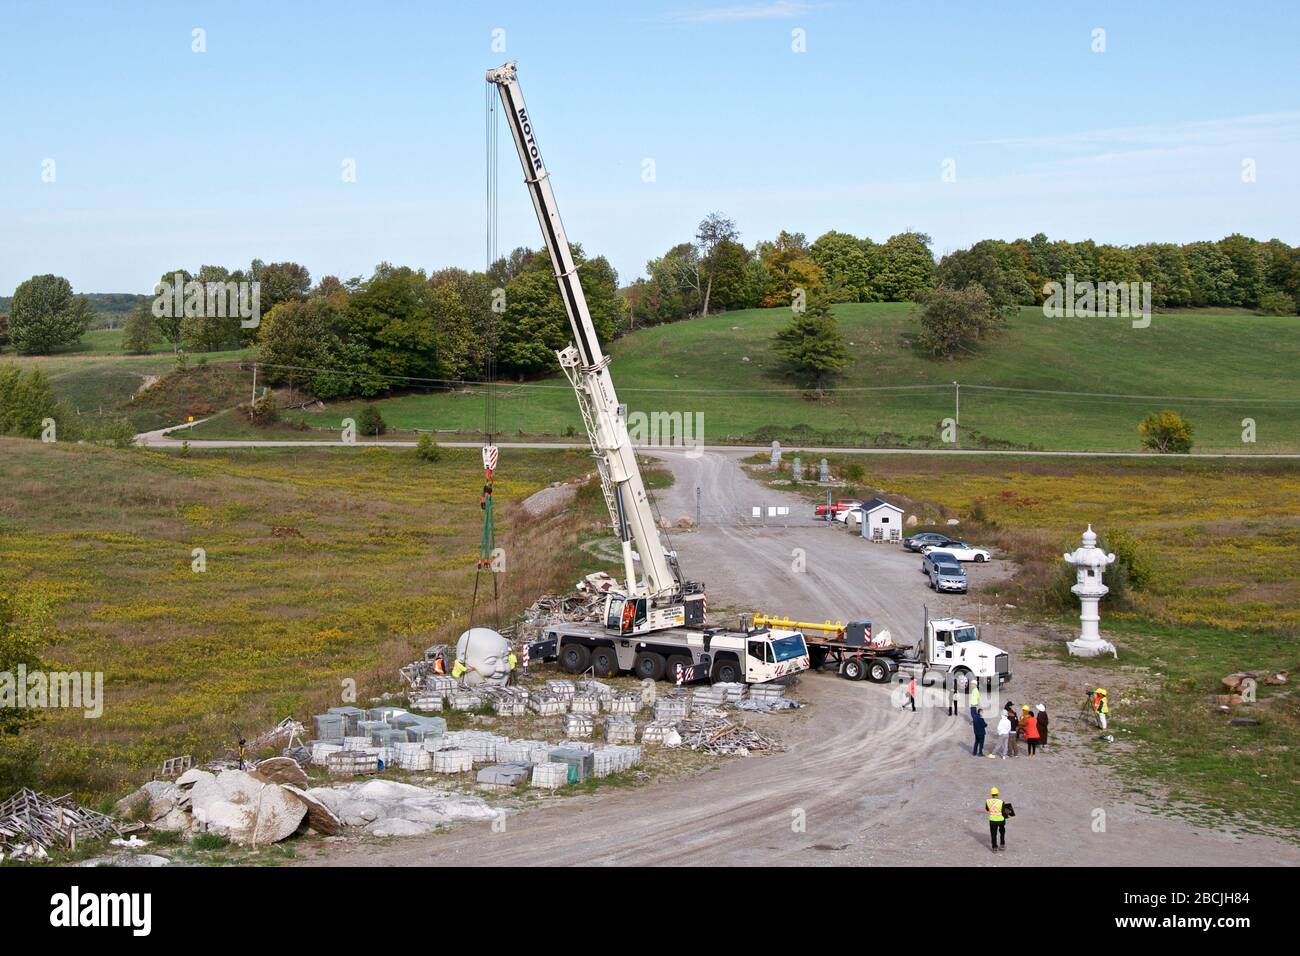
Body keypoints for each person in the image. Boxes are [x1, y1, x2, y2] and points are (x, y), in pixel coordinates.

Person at [984, 787, 1006, 852]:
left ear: (991, 794)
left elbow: (987, 809)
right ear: (997, 794)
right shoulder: (1001, 802)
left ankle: (994, 848)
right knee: (1002, 832)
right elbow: (1004, 811)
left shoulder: (988, 801)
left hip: (992, 820)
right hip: (1001, 820)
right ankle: (1002, 844)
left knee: (993, 834)